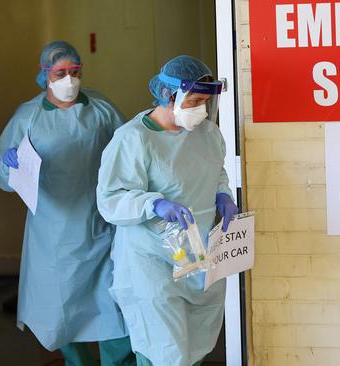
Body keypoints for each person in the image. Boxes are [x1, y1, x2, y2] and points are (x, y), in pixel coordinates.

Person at [0, 41, 135, 365]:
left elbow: (129, 152)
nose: (69, 79)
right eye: (60, 73)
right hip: (52, 235)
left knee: (114, 308)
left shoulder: (101, 109)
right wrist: (9, 163)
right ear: (45, 75)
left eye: (74, 71)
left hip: (100, 228)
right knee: (60, 313)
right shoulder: (29, 116)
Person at [96, 55, 238, 366]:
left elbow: (217, 171)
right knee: (165, 352)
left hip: (197, 257)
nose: (200, 108)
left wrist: (223, 195)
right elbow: (110, 198)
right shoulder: (133, 139)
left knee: (195, 347)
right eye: (194, 100)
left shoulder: (207, 133)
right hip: (151, 263)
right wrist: (153, 204)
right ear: (168, 95)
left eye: (205, 101)